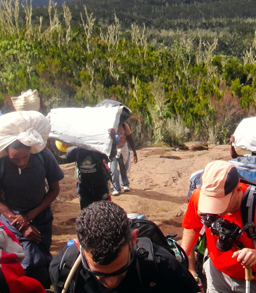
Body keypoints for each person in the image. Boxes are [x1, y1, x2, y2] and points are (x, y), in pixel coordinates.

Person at [181, 161, 256, 293]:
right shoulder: (199, 197)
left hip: (255, 281)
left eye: (220, 203)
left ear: (238, 189)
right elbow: (192, 226)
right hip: (216, 274)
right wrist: (182, 261)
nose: (215, 211)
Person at [66, 200, 199, 292]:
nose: (111, 283)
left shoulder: (165, 269)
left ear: (133, 239)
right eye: (99, 274)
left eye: (120, 271)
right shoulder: (66, 272)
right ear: (79, 248)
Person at [0, 139, 64, 287]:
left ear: (31, 150)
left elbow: (54, 190)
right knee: (29, 263)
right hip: (13, 223)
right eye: (15, 159)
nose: (21, 162)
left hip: (42, 218)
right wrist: (21, 225)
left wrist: (30, 217)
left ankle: (45, 288)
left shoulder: (44, 156)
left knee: (43, 260)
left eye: (25, 157)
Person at [66, 143, 111, 210]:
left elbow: (111, 154)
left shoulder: (97, 150)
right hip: (84, 187)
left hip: (100, 185)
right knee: (86, 210)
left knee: (103, 209)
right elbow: (65, 158)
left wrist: (113, 139)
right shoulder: (75, 152)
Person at [110, 121, 139, 196]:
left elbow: (130, 138)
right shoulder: (108, 126)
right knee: (113, 170)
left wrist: (134, 152)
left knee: (124, 167)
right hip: (112, 151)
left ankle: (125, 184)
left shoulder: (124, 126)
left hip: (123, 149)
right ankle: (116, 188)